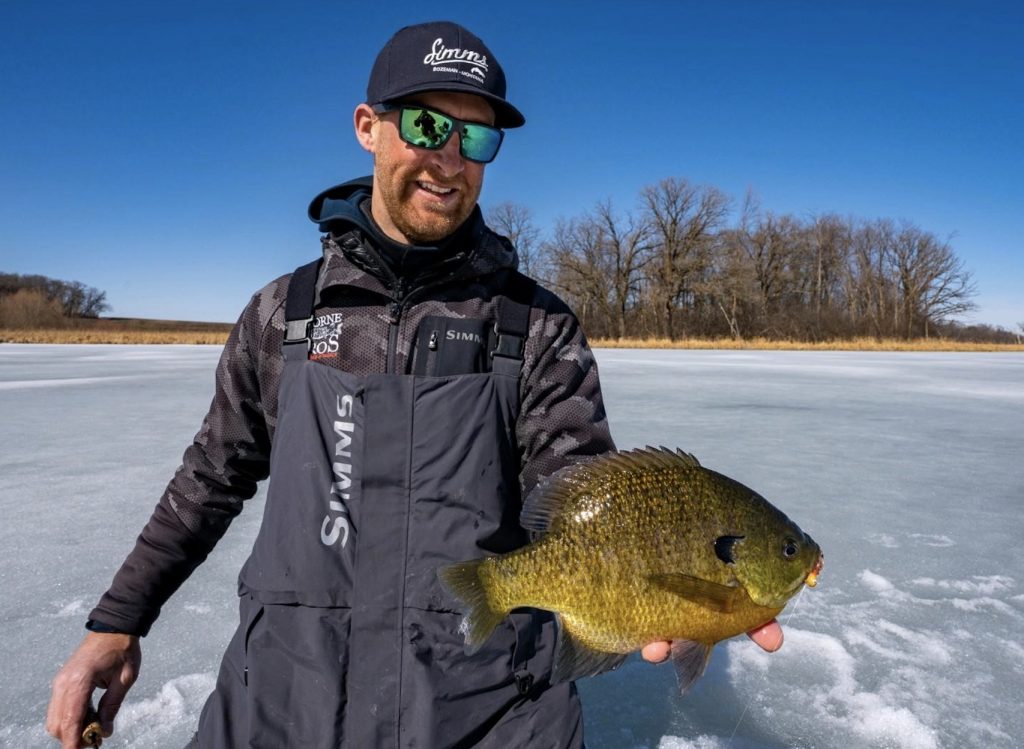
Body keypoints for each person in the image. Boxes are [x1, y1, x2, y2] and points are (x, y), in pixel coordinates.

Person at [46, 21, 784, 748]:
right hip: (280, 704)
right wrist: (118, 619)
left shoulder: (535, 326)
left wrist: (669, 576)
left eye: (478, 138)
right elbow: (211, 476)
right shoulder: (287, 315)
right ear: (369, 127)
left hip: (491, 714)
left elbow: (578, 487)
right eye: (429, 124)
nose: (450, 158)